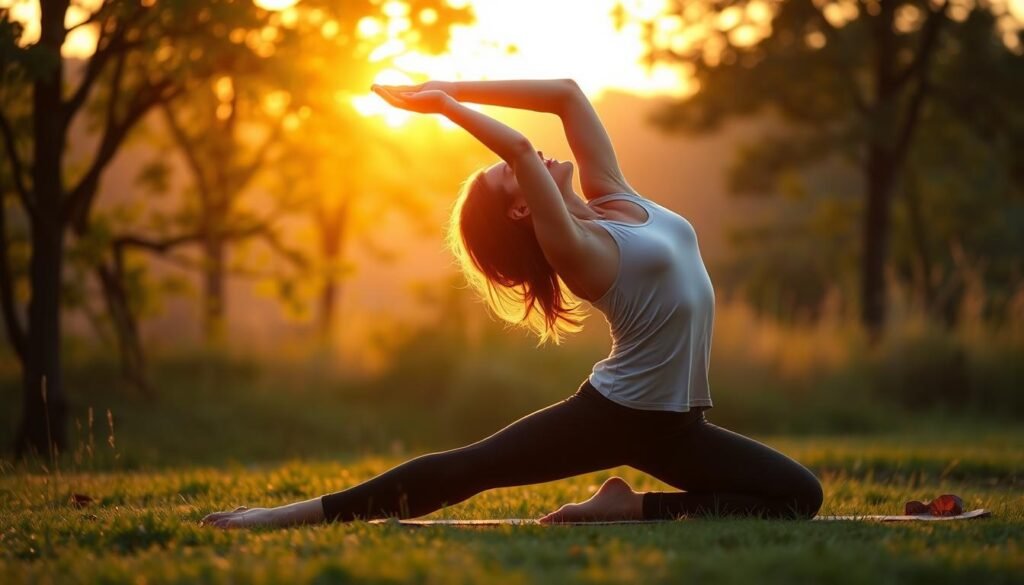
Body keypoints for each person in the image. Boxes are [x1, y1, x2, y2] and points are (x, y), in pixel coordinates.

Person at [201, 79, 823, 529]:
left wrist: (450, 83)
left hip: (678, 422)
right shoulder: (581, 252)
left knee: (798, 497)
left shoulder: (614, 196)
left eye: (501, 168)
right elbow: (523, 150)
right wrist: (446, 109)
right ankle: (272, 519)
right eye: (506, 177)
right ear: (523, 207)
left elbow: (569, 96)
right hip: (619, 412)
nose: (530, 161)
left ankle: (627, 508)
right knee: (466, 470)